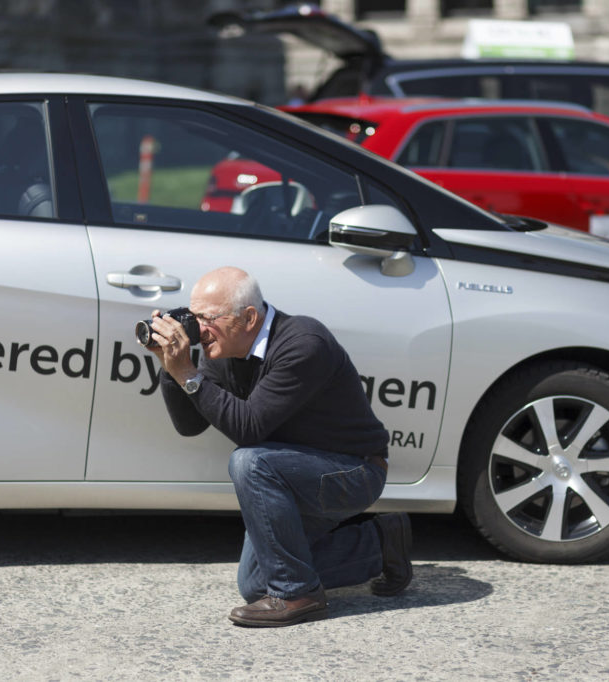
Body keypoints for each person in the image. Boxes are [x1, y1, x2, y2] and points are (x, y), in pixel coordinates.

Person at [147, 266, 412, 627]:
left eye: (206, 319)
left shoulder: (303, 343)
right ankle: (381, 544)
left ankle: (298, 594)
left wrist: (187, 375)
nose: (198, 330)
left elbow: (249, 429)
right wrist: (171, 368)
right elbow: (189, 425)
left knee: (249, 462)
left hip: (353, 471)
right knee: (255, 584)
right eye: (193, 318)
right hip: (292, 475)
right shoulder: (221, 350)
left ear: (249, 318)